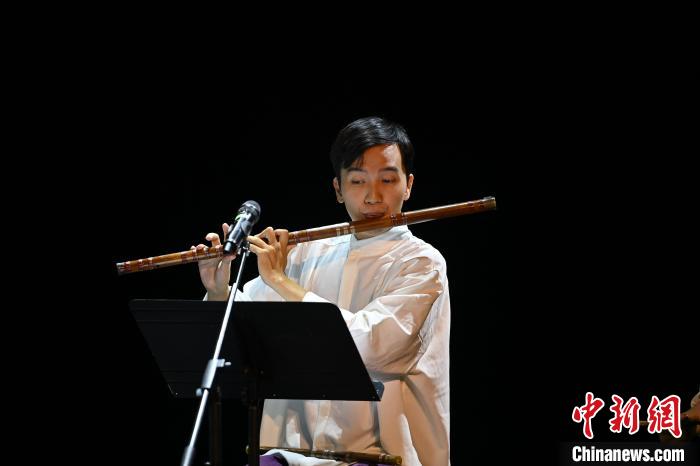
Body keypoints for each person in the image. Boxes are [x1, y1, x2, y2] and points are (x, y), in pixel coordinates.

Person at [193, 116, 451, 466]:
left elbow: (371, 348)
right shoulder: (307, 254)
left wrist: (282, 282)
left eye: (388, 180)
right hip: (294, 455)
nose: (373, 196)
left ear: (408, 185)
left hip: (383, 457)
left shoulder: (422, 263)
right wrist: (219, 289)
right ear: (338, 189)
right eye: (357, 181)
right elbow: (242, 331)